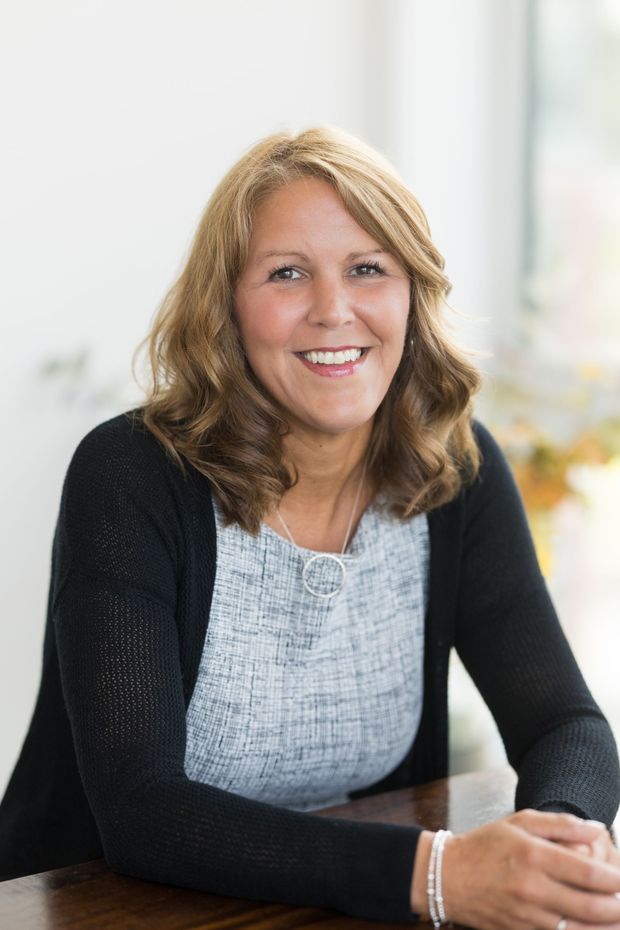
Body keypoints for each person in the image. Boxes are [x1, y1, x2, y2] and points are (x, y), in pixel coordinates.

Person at [0, 125, 618, 929]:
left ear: (412, 294)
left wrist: (560, 841)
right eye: (287, 273)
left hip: (323, 905)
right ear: (227, 303)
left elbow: (565, 723)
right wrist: (439, 872)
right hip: (92, 908)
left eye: (368, 269)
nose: (334, 311)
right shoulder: (131, 476)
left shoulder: (453, 469)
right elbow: (143, 810)